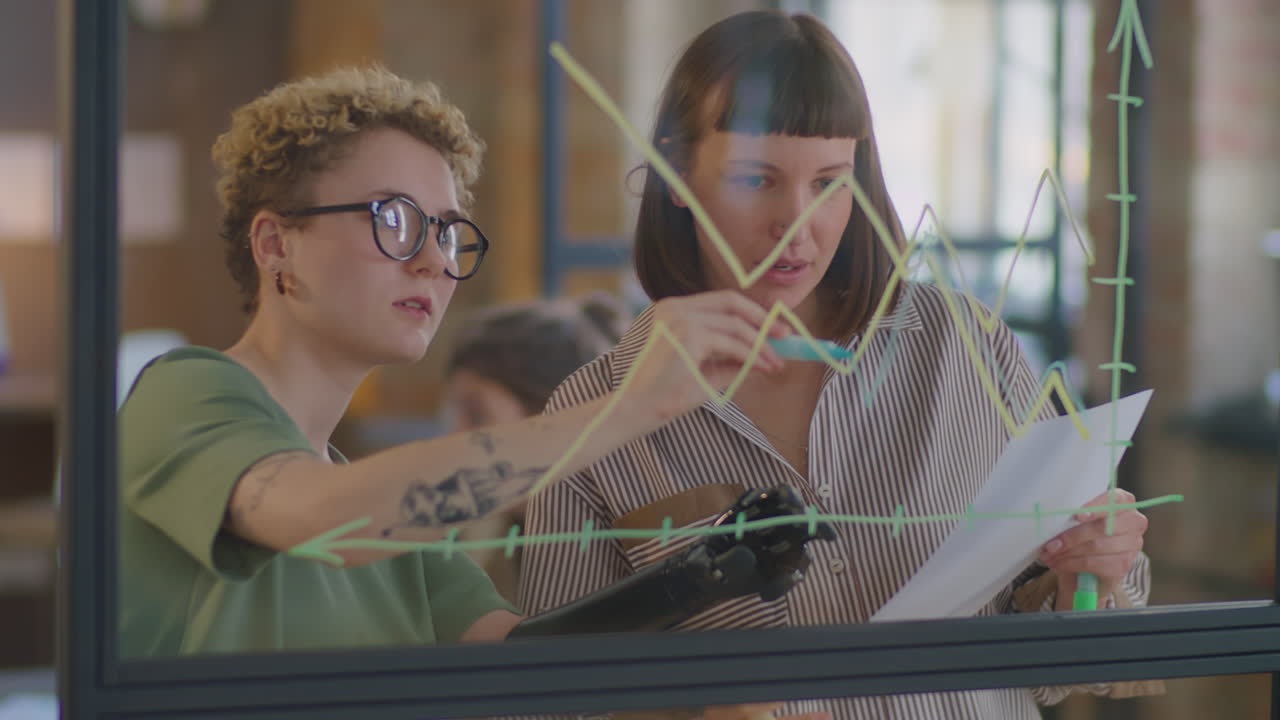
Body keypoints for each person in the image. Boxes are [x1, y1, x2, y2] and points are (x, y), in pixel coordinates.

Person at [518, 11, 1152, 719]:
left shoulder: (965, 345)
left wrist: (1092, 574)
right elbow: (551, 697)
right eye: (756, 180)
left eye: (828, 182)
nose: (797, 223)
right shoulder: (593, 418)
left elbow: (1066, 650)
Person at [116, 65, 806, 657]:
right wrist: (629, 406)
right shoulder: (187, 396)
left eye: (447, 232)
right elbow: (329, 520)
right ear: (275, 245)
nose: (433, 261)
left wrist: (701, 576)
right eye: (393, 219)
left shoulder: (391, 525)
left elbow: (518, 660)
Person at [443, 293, 631, 600]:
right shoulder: (490, 552)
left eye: (476, 415)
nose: (455, 437)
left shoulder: (626, 560)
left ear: (551, 415)